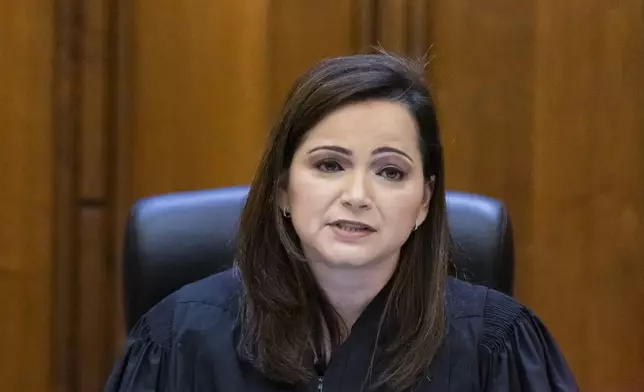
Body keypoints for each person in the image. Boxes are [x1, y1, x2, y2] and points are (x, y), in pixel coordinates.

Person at [103, 53, 579, 391]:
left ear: (424, 202)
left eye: (390, 172)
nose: (357, 196)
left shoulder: (498, 346)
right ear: (283, 188)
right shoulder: (178, 340)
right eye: (330, 165)